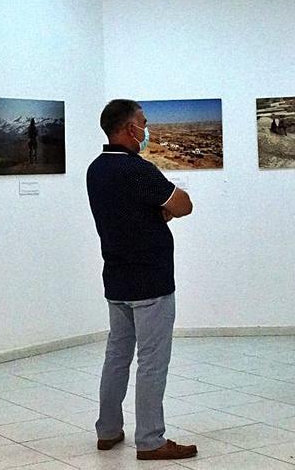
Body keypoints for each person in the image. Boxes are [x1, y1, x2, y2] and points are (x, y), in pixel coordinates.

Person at [86, 99, 197, 460]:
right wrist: (163, 210)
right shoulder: (137, 170)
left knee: (117, 354)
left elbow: (126, 214)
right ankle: (150, 439)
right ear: (127, 128)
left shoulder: (96, 170)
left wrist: (153, 212)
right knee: (152, 360)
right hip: (150, 280)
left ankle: (108, 429)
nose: (147, 130)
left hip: (116, 278)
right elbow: (182, 204)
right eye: (143, 123)